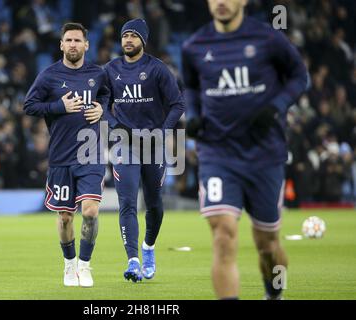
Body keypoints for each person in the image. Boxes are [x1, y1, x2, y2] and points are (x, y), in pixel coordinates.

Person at [182, 0, 308, 299]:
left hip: (264, 154)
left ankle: (274, 294)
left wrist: (276, 107)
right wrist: (194, 113)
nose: (221, 2)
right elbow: (190, 86)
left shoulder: (268, 38)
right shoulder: (194, 46)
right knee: (223, 234)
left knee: (267, 245)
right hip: (217, 153)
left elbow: (299, 76)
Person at [23, 22, 110, 287]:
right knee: (65, 217)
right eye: (68, 40)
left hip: (90, 153)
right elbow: (29, 105)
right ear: (61, 44)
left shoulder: (98, 74)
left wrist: (102, 110)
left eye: (77, 40)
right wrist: (58, 106)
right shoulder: (48, 75)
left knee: (91, 211)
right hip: (61, 155)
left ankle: (85, 265)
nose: (73, 45)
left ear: (86, 45)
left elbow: (107, 97)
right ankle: (69, 264)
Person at [104, 19, 184, 282]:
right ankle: (133, 261)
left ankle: (148, 248)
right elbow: (101, 105)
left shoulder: (157, 69)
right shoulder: (111, 69)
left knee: (154, 205)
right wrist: (116, 125)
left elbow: (177, 104)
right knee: (127, 203)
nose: (127, 40)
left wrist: (163, 131)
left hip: (153, 145)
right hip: (124, 145)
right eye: (124, 35)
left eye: (133, 36)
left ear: (143, 41)